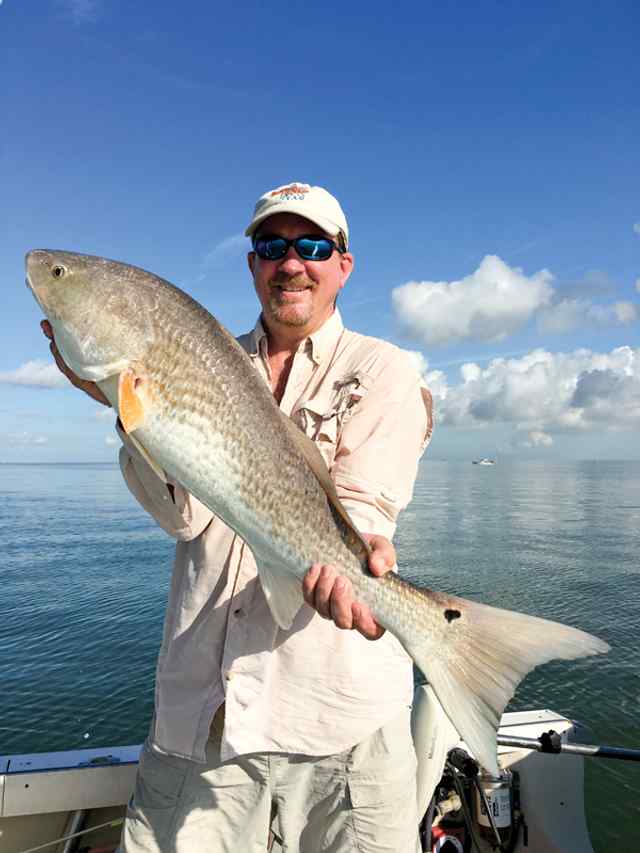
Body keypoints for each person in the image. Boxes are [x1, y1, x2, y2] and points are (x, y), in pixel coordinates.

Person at [43, 182, 433, 852]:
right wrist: (125, 403)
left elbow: (365, 511)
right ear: (252, 262)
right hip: (201, 723)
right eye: (271, 245)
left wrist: (357, 563)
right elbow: (181, 518)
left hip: (338, 730)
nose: (291, 261)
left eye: (312, 245)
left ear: (343, 264)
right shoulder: (203, 355)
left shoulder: (383, 369)